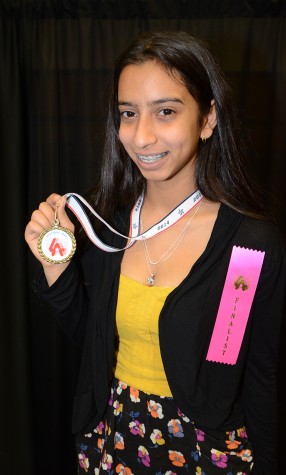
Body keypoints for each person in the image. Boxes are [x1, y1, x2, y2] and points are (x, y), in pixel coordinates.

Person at [24, 30, 286, 475]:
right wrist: (57, 267)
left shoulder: (247, 245)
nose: (142, 137)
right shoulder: (105, 222)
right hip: (111, 438)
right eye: (128, 113)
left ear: (207, 120)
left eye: (165, 112)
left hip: (205, 448)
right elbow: (92, 341)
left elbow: (255, 372)